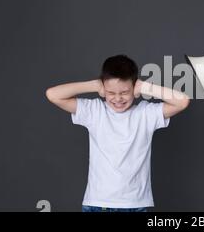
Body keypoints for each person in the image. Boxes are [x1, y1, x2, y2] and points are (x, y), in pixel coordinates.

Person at [46, 54, 190, 212]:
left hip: (135, 205)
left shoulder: (145, 113)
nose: (118, 98)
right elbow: (53, 95)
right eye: (111, 93)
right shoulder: (95, 111)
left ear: (134, 88)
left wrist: (144, 87)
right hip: (98, 203)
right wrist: (94, 85)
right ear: (103, 90)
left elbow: (182, 101)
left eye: (124, 92)